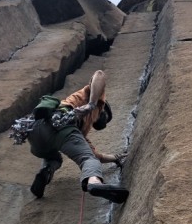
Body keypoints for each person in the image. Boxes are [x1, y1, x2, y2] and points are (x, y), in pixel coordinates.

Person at [27, 70, 128, 203]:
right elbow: (99, 74)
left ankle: (46, 172)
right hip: (61, 124)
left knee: (54, 159)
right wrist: (92, 104)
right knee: (87, 160)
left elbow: (97, 156)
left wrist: (115, 158)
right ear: (104, 110)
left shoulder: (81, 132)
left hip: (35, 133)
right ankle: (94, 183)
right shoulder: (97, 101)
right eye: (106, 118)